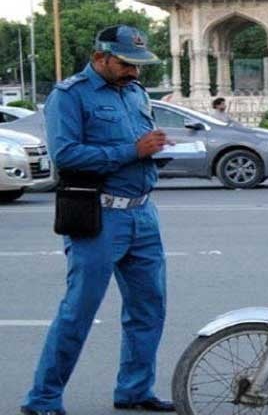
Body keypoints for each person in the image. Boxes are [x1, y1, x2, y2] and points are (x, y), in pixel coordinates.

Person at [21, 25, 175, 414]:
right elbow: (67, 154)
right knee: (78, 312)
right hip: (99, 217)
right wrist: (133, 150)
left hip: (143, 213)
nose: (134, 72)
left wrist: (153, 148)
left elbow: (139, 143)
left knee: (148, 310)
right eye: (126, 64)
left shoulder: (136, 92)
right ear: (100, 58)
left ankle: (135, 391)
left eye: (139, 65)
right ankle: (42, 400)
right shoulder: (70, 96)